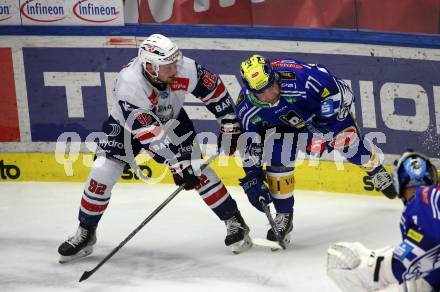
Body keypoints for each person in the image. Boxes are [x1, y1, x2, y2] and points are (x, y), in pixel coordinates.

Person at [58, 34, 251, 263]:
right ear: (150, 66)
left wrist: (228, 121)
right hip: (127, 126)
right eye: (168, 65)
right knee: (102, 170)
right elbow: (149, 134)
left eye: (174, 61)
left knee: (197, 169)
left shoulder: (183, 67)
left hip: (172, 118)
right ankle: (86, 232)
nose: (175, 67)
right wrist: (175, 162)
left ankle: (234, 221)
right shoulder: (129, 84)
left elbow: (214, 89)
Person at [235, 54, 398, 246]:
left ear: (274, 76)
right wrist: (252, 175)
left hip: (323, 114)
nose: (270, 94)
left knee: (349, 145)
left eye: (271, 86)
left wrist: (325, 128)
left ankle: (375, 169)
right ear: (250, 90)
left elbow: (340, 94)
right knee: (278, 154)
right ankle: (284, 215)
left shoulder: (301, 79)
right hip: (286, 127)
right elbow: (249, 144)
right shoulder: (246, 108)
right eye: (261, 92)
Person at [326, 151, 439, 291]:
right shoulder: (425, 207)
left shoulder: (424, 202)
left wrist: (376, 269)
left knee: (415, 282)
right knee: (414, 282)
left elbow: (423, 249)